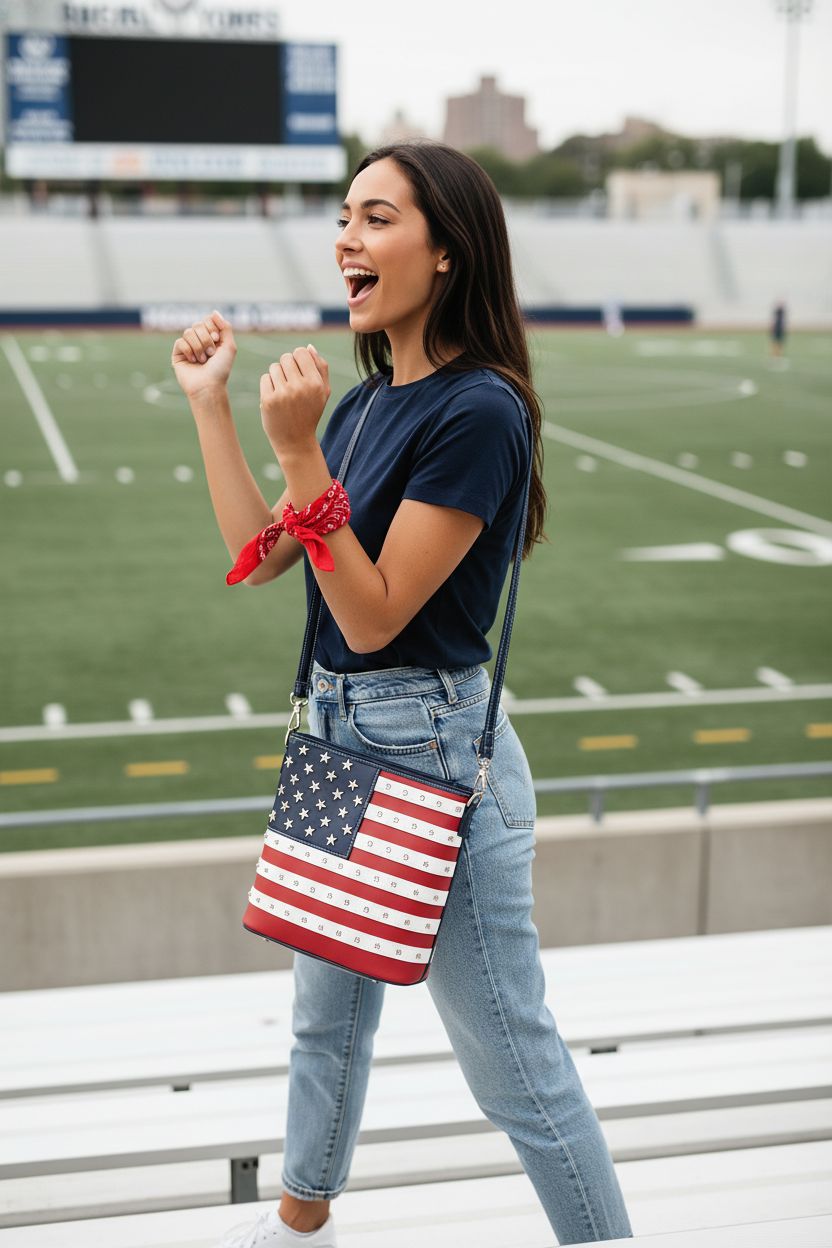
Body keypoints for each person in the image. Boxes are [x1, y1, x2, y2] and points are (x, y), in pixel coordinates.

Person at [171, 140, 634, 1248]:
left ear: (447, 250)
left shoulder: (481, 411)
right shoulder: (366, 406)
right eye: (345, 216)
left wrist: (299, 457)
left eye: (377, 218)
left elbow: (375, 615)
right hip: (341, 735)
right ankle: (299, 1224)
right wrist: (213, 405)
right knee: (323, 1023)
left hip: (432, 752)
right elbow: (258, 558)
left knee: (512, 1062)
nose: (347, 238)